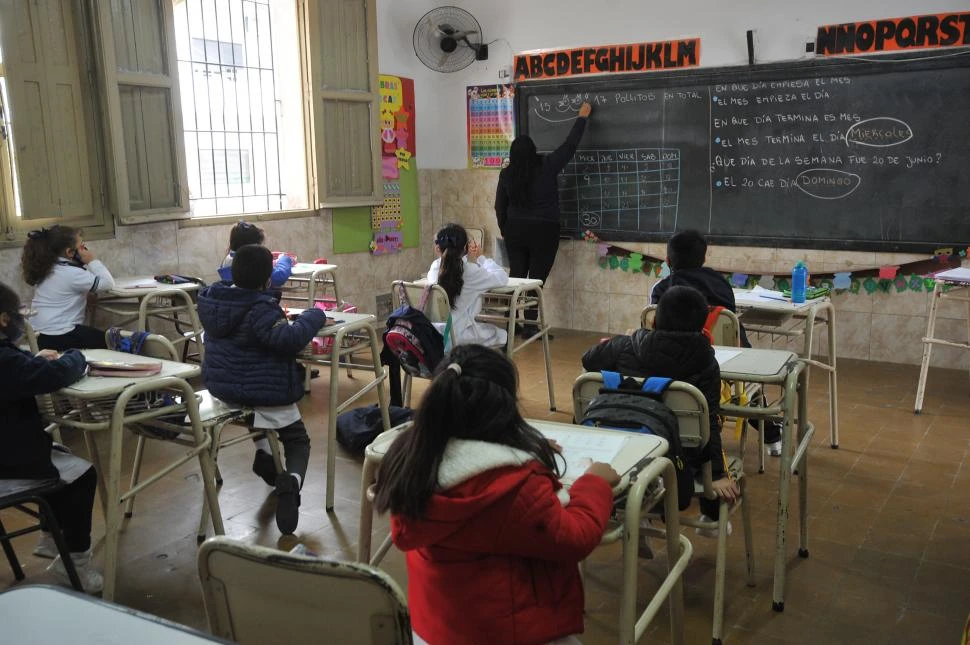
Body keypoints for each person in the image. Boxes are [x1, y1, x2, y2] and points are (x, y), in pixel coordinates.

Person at [374, 344, 618, 645]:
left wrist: (522, 443)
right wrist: (594, 483)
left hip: (435, 630)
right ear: (505, 407)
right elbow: (575, 537)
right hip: (508, 632)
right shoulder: (513, 487)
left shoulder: (411, 463)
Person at [582, 285, 739, 531]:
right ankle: (710, 515)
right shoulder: (705, 361)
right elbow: (709, 421)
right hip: (677, 458)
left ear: (654, 320)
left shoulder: (625, 345)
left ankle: (635, 504)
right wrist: (716, 475)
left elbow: (588, 360)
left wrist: (627, 338)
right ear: (703, 328)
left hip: (619, 447)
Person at [197, 244, 326, 534]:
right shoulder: (260, 309)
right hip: (262, 390)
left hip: (223, 388)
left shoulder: (215, 301)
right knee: (296, 440)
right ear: (267, 280)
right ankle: (291, 482)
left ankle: (266, 457)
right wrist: (313, 316)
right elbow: (290, 340)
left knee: (255, 414)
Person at [0, 282, 102, 593]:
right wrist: (74, 357)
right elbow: (55, 376)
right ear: (4, 319)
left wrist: (31, 360)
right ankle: (75, 560)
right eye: (18, 314)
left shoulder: (8, 360)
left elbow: (18, 372)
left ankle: (50, 536)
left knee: (59, 459)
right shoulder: (5, 361)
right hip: (9, 467)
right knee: (82, 475)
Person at [650, 229, 782, 456]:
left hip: (673, 364)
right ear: (703, 258)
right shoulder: (720, 283)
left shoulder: (661, 289)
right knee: (747, 390)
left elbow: (653, 324)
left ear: (668, 260)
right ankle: (772, 436)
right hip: (728, 364)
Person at [495, 101, 592, 336]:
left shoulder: (507, 173)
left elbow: (500, 206)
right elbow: (569, 146)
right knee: (535, 280)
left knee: (515, 276)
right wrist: (582, 118)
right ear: (534, 150)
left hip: (515, 231)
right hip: (544, 231)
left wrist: (506, 229)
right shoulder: (547, 166)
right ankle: (530, 327)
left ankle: (508, 325)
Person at [21, 225, 115, 351]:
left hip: (38, 337)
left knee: (95, 336)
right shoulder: (72, 273)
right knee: (112, 341)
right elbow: (108, 283)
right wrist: (92, 260)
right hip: (60, 335)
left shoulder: (47, 268)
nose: (85, 249)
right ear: (70, 252)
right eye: (82, 246)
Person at [427, 223, 509, 347]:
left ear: (437, 247)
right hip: (454, 337)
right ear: (466, 247)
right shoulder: (471, 271)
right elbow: (501, 277)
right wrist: (480, 258)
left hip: (430, 334)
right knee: (501, 334)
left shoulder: (434, 267)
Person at [217, 220, 294, 288]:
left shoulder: (227, 259)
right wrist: (285, 259)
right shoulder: (251, 261)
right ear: (253, 246)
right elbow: (279, 276)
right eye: (259, 245)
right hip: (254, 301)